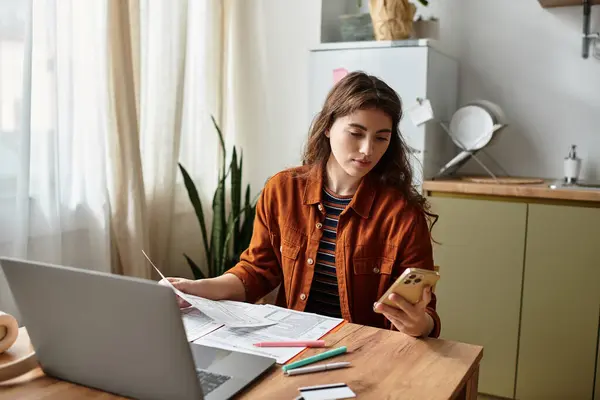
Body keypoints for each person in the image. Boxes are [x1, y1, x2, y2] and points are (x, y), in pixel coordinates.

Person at [166, 71, 441, 338]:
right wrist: (196, 288)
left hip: (364, 351)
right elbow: (256, 272)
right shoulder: (282, 190)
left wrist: (420, 325)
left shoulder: (402, 214)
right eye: (356, 133)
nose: (368, 149)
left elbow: (425, 312)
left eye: (381, 137)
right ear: (327, 127)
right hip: (292, 342)